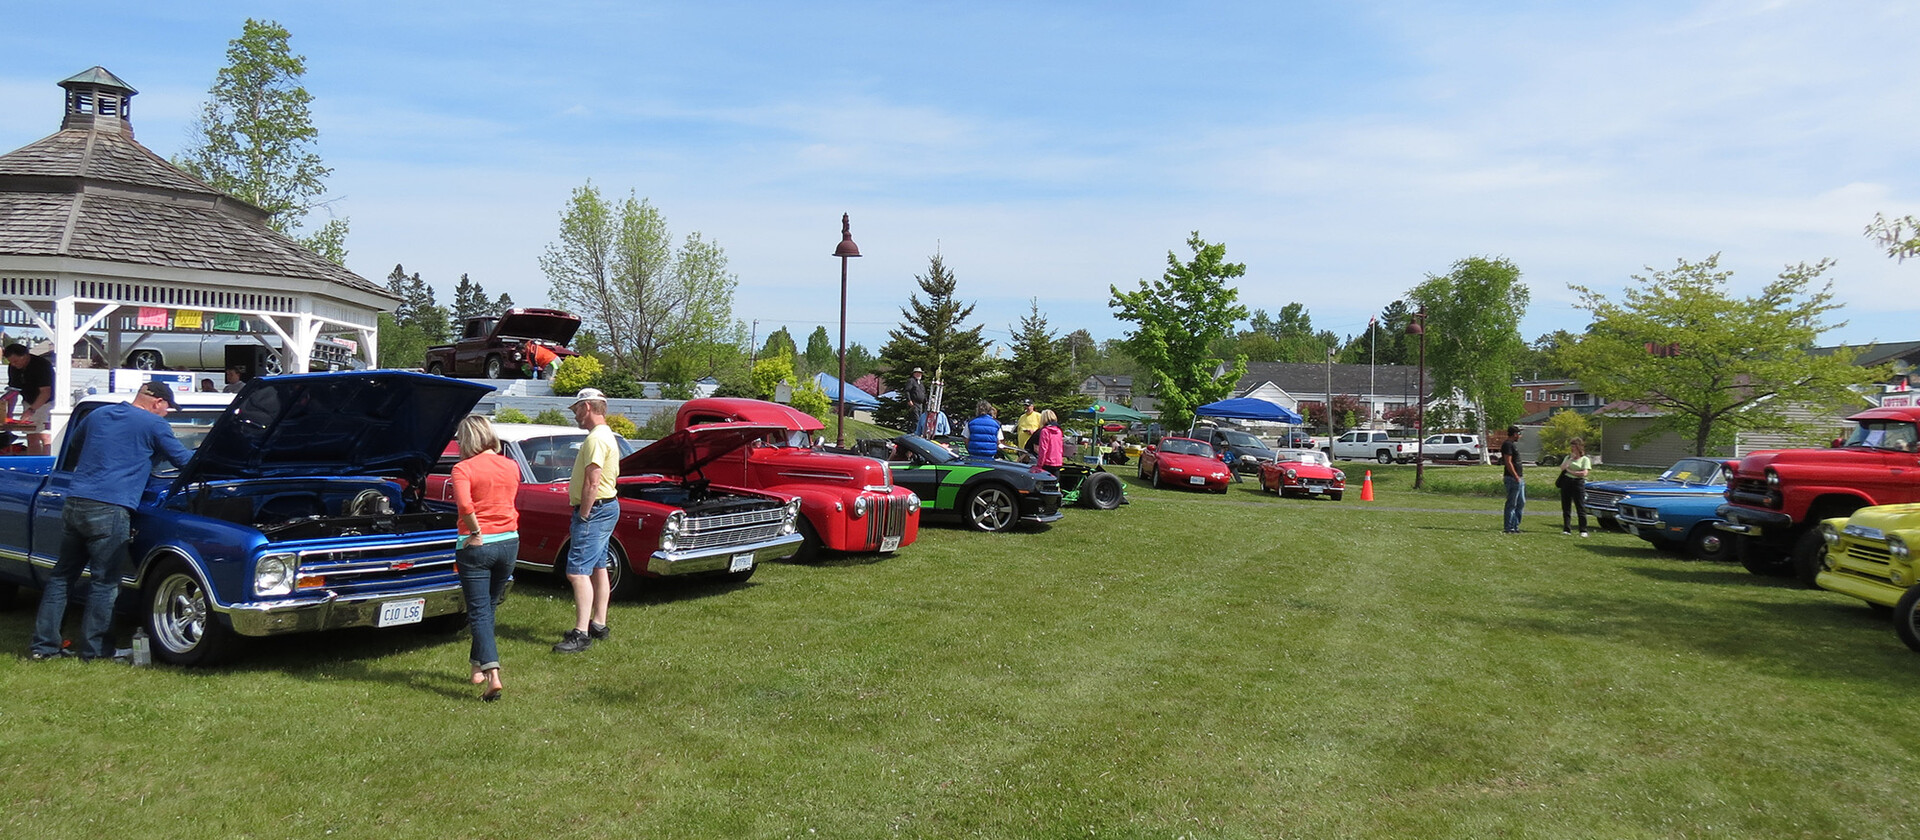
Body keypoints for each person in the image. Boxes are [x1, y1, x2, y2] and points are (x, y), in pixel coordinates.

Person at [30, 382, 193, 661]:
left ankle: (44, 647)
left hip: (76, 501)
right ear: (157, 403)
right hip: (112, 506)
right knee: (105, 582)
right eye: (168, 408)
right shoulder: (154, 425)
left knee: (62, 576)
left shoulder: (98, 415)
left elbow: (78, 445)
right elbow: (184, 461)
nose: (167, 413)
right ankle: (96, 651)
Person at [450, 414, 520, 700]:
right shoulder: (511, 465)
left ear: (467, 439)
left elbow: (466, 505)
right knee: (489, 608)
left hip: (477, 544)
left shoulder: (462, 469)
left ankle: (493, 674)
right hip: (510, 541)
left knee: (478, 611)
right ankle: (477, 668)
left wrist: (475, 530)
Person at [554, 388, 619, 654]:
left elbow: (593, 482)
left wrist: (584, 513)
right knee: (598, 566)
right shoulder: (607, 435)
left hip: (595, 510)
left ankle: (581, 633)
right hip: (608, 506)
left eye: (577, 409)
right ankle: (599, 624)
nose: (575, 415)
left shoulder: (595, 439)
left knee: (577, 571)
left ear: (588, 407)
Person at [4, 343, 55, 455]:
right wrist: (9, 414)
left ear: (25, 355)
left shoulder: (42, 365)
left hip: (46, 402)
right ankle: (33, 468)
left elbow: (46, 392)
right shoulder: (13, 367)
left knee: (45, 435)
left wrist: (31, 411)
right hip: (28, 400)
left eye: (16, 361)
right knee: (31, 436)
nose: (14, 364)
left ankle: (46, 465)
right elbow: (14, 390)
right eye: (11, 362)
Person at [1556, 437, 1592, 537]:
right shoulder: (1568, 458)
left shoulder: (1584, 459)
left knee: (1580, 506)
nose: (1572, 448)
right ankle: (1567, 528)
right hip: (1566, 482)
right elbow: (1562, 468)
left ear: (1579, 447)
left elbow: (1584, 473)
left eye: (1574, 446)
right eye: (1571, 446)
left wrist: (1571, 471)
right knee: (1566, 506)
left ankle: (1583, 529)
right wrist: (1571, 459)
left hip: (1578, 483)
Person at [1501, 425, 1526, 533]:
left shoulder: (1512, 445)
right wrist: (1515, 476)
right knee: (1512, 503)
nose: (1520, 436)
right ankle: (1509, 527)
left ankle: (1515, 526)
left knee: (1521, 502)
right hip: (1512, 478)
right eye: (1519, 433)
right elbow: (1508, 462)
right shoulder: (1507, 445)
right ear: (1514, 434)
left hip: (1519, 478)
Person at [1033, 410, 1064, 478]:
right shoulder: (1059, 431)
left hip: (1047, 462)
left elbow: (1043, 449)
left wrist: (1039, 464)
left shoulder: (1045, 431)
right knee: (1055, 483)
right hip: (1057, 461)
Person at [903, 367, 929, 436]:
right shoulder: (911, 381)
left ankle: (918, 434)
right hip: (914, 403)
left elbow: (923, 393)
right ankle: (914, 433)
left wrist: (926, 401)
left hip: (920, 404)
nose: (919, 374)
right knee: (916, 419)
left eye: (920, 373)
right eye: (917, 373)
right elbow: (907, 391)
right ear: (914, 374)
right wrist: (909, 400)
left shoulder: (921, 383)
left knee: (920, 419)